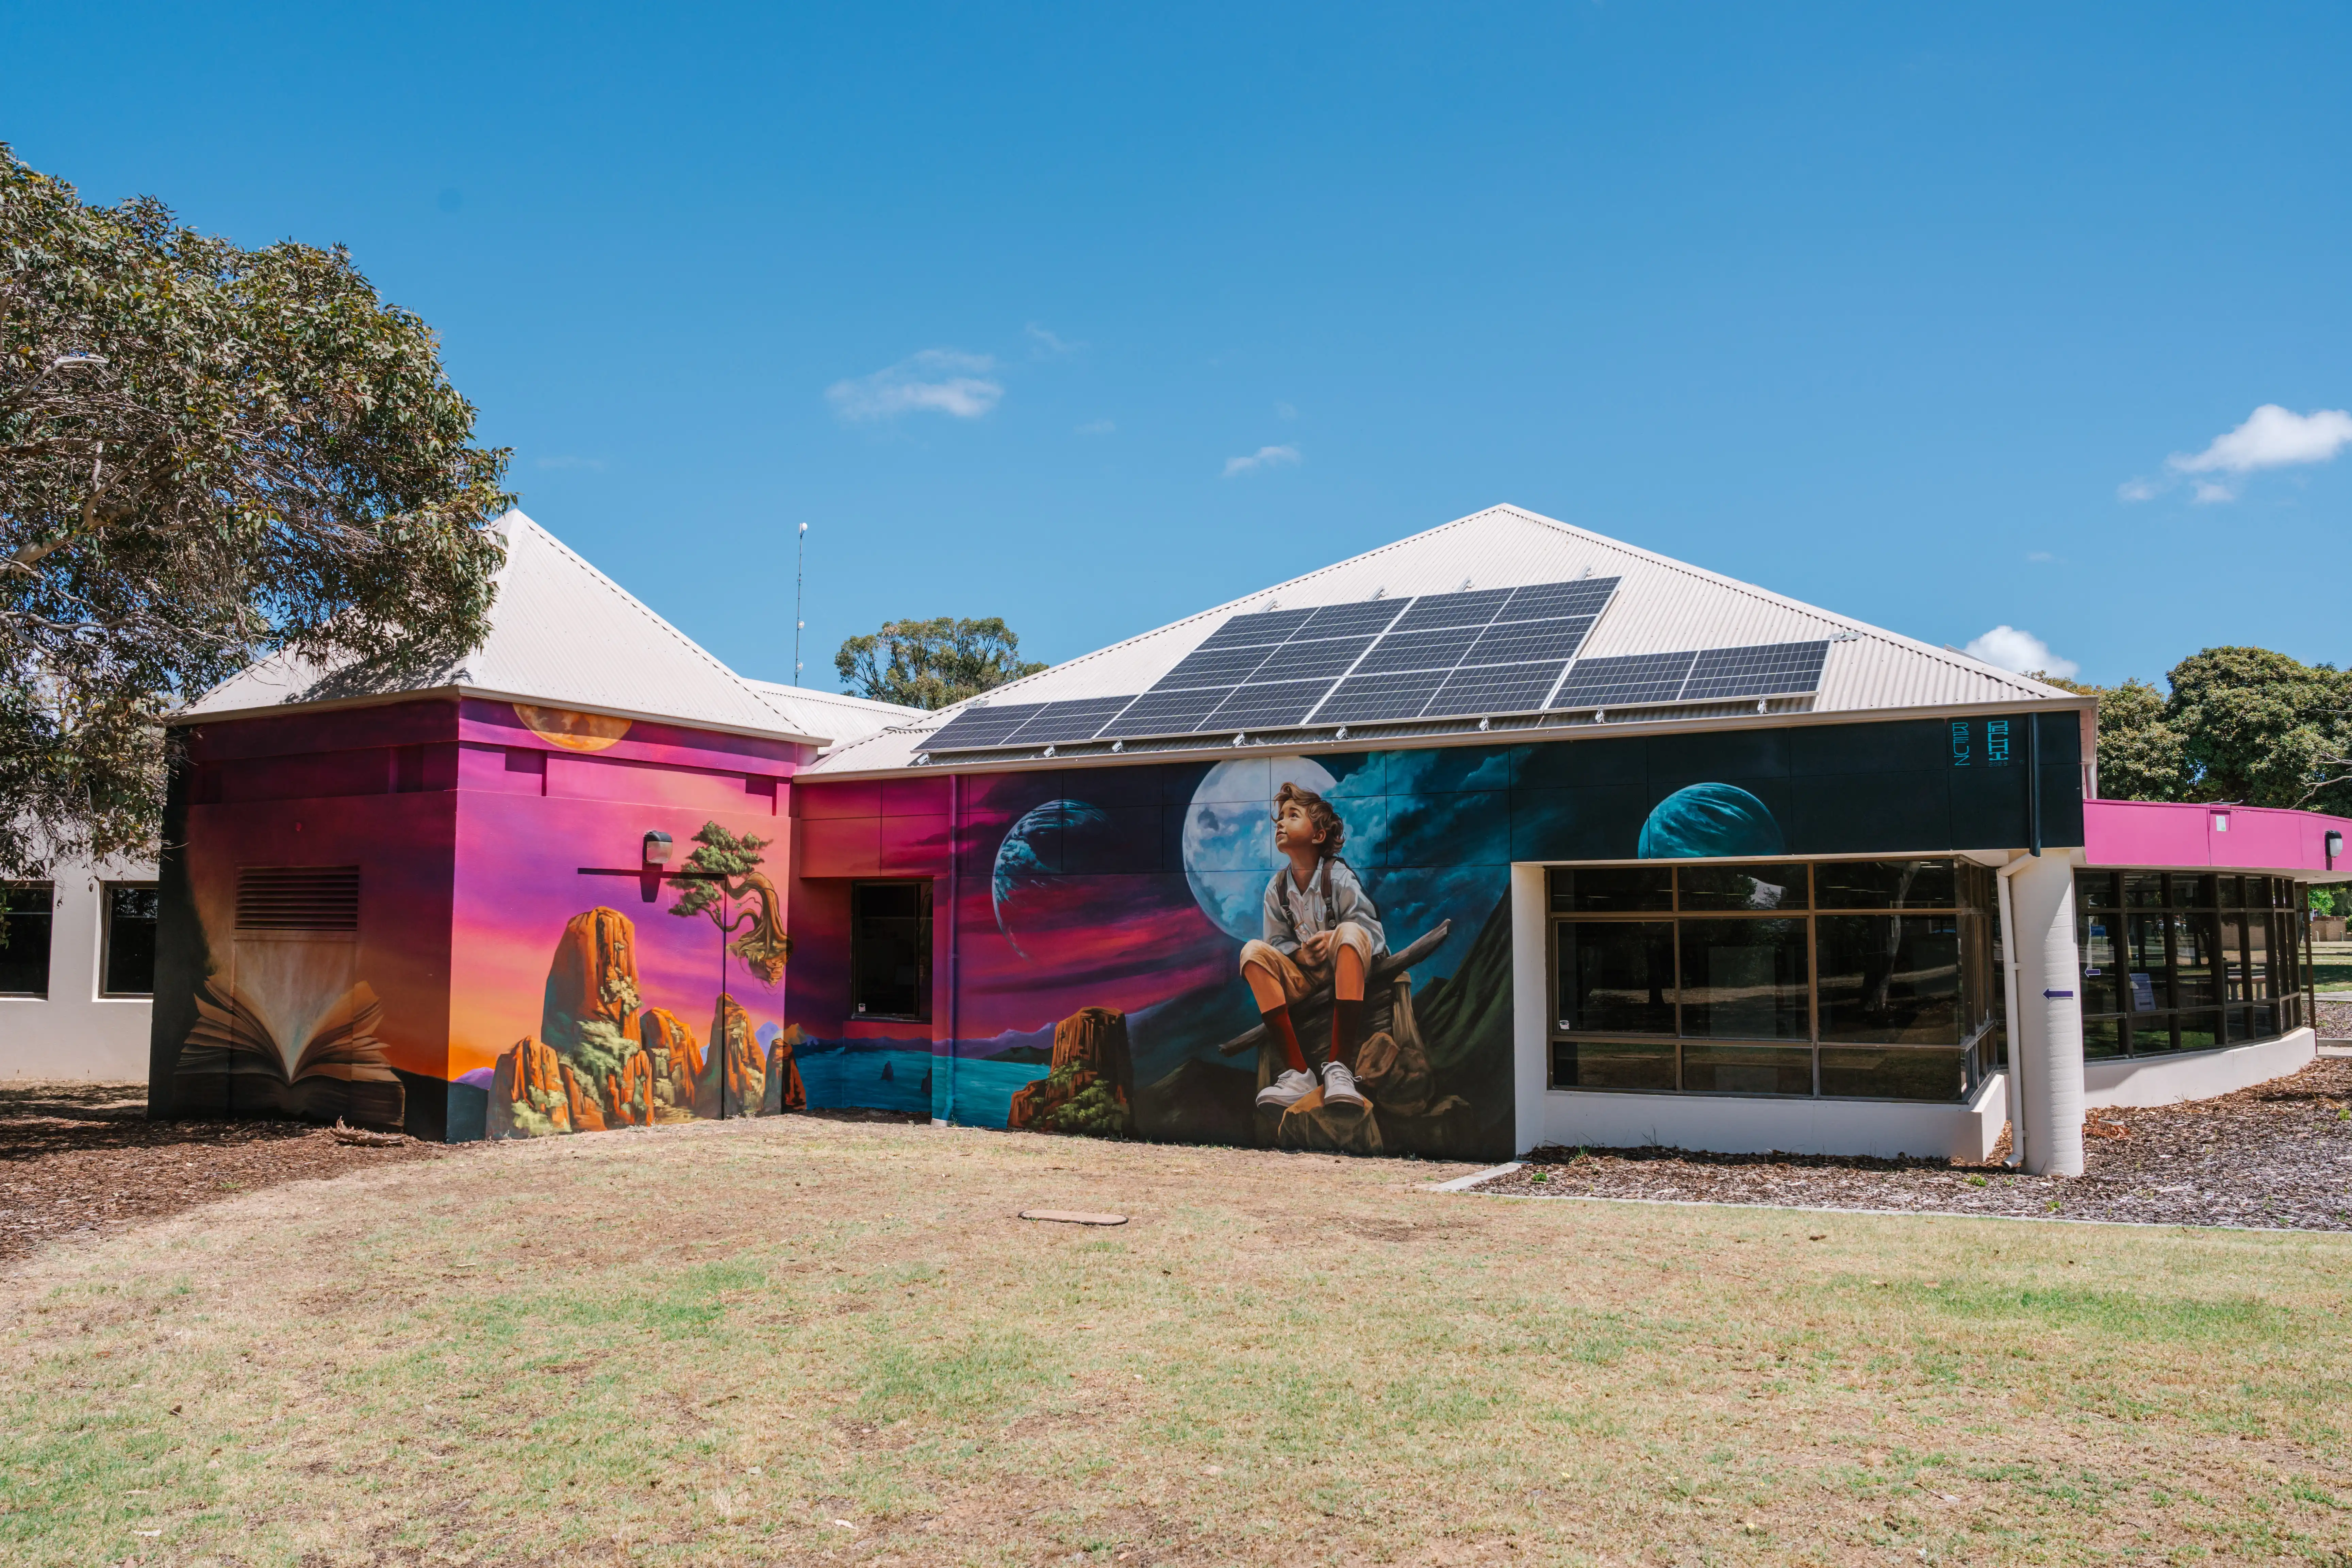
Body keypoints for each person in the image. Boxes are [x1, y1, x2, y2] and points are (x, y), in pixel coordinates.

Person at [1240, 781, 1386, 1111]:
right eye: (1279, 817)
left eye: (1292, 815)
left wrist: (1336, 938)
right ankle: (1297, 1072)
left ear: (1318, 835)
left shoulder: (1339, 878)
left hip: (1348, 970)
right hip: (1306, 977)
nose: (1280, 822)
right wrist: (1299, 954)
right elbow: (1276, 941)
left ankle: (1339, 1068)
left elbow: (1374, 936)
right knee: (1252, 952)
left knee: (1349, 929)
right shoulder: (1276, 889)